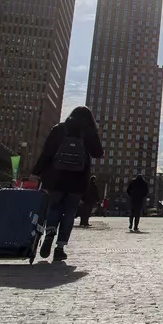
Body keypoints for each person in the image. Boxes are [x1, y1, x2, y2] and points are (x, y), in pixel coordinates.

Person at [29, 105, 104, 262]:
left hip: (55, 177)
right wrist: (94, 136)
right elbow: (98, 153)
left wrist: (35, 172)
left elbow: (47, 153)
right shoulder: (88, 132)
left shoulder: (59, 129)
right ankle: (60, 248)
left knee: (54, 207)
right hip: (77, 180)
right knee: (69, 212)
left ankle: (49, 233)